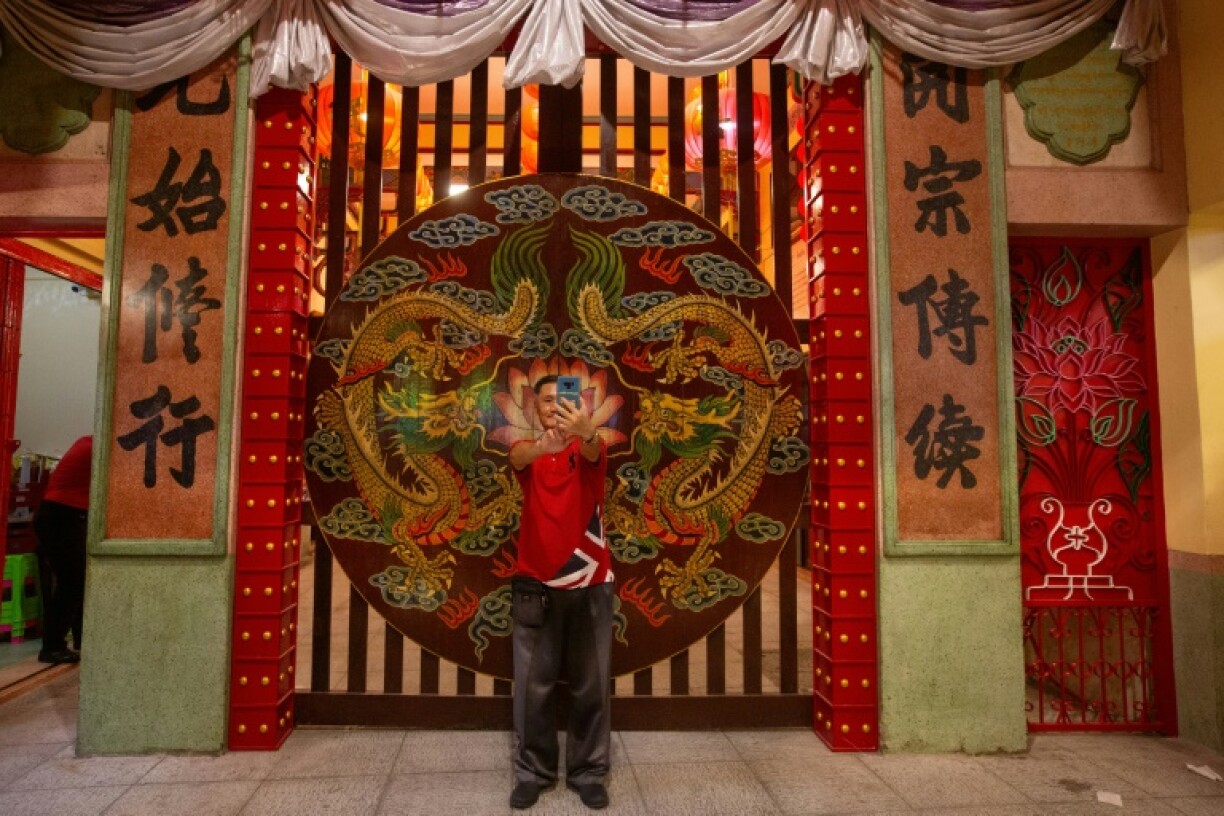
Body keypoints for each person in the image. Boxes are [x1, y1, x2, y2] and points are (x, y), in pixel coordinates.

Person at [507, 375, 613, 810]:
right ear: (534, 408)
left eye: (563, 399)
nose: (554, 407)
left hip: (589, 580)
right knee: (534, 687)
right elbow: (519, 458)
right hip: (536, 582)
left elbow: (592, 449)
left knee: (591, 686)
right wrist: (542, 448)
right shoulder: (525, 451)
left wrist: (586, 432)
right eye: (546, 400)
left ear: (579, 404)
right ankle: (533, 772)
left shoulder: (591, 448)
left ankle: (589, 773)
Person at [33, 435, 92, 665]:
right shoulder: (95, 447)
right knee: (72, 583)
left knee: (77, 583)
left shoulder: (85, 442)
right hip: (62, 517)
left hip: (59, 516)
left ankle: (78, 640)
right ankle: (52, 647)